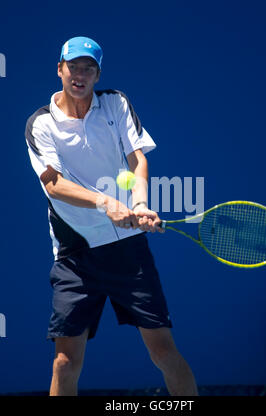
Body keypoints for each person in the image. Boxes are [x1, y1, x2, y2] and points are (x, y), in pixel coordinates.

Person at [25, 36, 198, 396]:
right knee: (65, 362)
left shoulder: (115, 104)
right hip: (75, 256)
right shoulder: (41, 124)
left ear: (97, 74)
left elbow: (138, 160)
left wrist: (139, 204)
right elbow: (54, 185)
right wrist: (106, 203)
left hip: (126, 251)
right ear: (60, 69)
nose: (80, 74)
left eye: (89, 68)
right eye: (73, 66)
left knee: (164, 351)